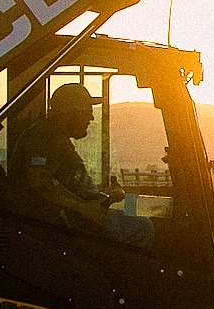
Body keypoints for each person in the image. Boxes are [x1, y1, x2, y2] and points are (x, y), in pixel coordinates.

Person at [13, 82, 154, 249]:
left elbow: (66, 187)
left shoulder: (53, 137)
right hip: (70, 223)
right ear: (70, 113)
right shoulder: (44, 136)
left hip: (75, 217)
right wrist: (86, 209)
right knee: (143, 227)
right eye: (88, 111)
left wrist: (104, 196)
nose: (92, 118)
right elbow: (40, 180)